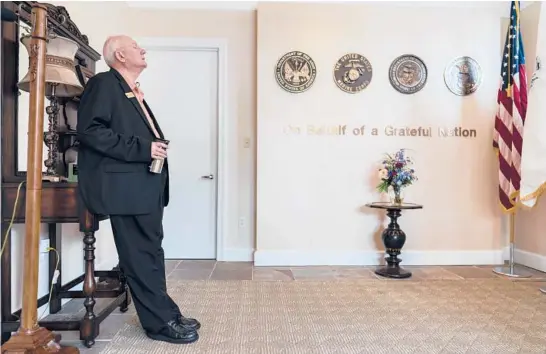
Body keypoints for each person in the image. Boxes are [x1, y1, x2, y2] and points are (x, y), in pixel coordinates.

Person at [77, 35, 201, 344]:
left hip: (142, 187)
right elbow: (91, 132)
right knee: (140, 257)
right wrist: (145, 148)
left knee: (151, 253)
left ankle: (168, 313)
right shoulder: (105, 83)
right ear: (120, 54)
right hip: (125, 189)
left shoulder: (130, 91)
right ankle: (160, 325)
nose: (142, 50)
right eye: (135, 47)